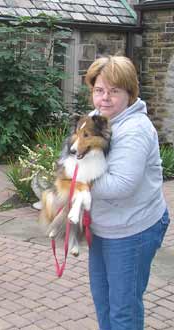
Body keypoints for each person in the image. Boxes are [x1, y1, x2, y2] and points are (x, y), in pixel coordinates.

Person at [85, 56, 170, 329]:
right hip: (104, 226)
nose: (105, 98)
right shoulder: (96, 119)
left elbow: (121, 186)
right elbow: (76, 155)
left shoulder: (135, 129)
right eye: (99, 90)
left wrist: (75, 181)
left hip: (132, 230)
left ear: (130, 93)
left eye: (114, 91)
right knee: (104, 301)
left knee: (124, 311)